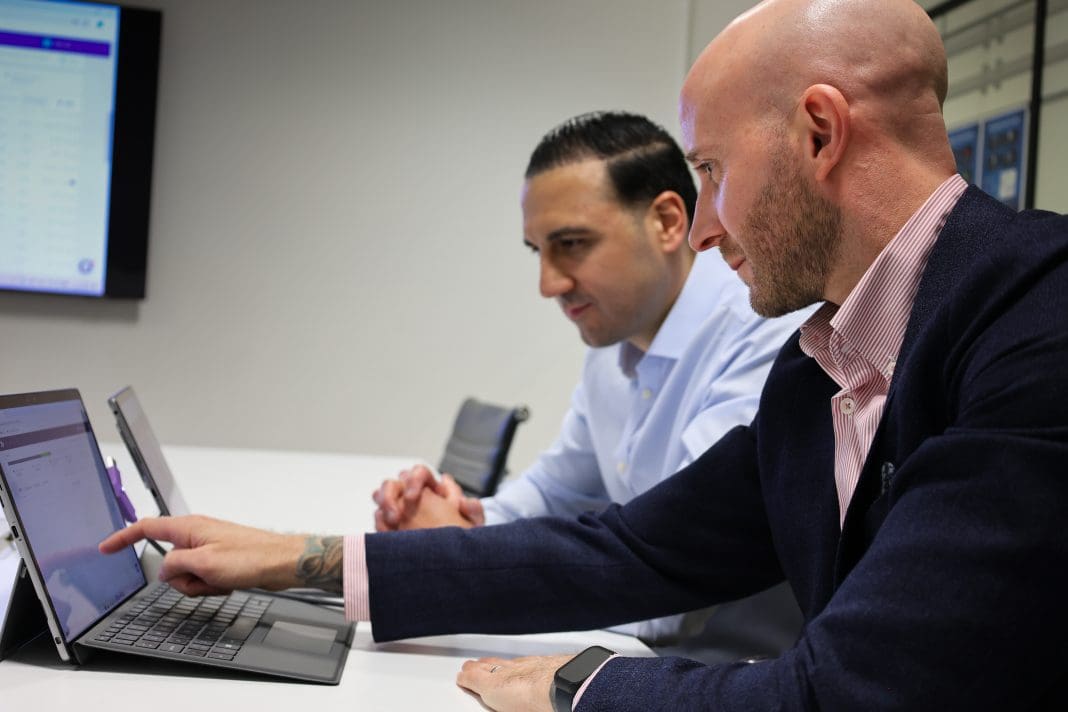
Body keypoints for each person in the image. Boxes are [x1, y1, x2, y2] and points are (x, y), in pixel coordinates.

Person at [100, 0, 1068, 709]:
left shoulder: (1041, 327)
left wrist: (580, 685)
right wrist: (295, 559)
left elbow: (857, 692)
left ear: (819, 133)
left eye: (713, 171)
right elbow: (635, 549)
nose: (707, 227)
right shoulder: (824, 363)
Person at [371, 110, 808, 662]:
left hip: (730, 665)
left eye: (572, 243)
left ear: (668, 222)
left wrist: (450, 559)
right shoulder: (615, 340)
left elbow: (672, 588)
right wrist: (462, 525)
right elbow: (554, 492)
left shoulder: (764, 330)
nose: (548, 283)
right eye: (539, 251)